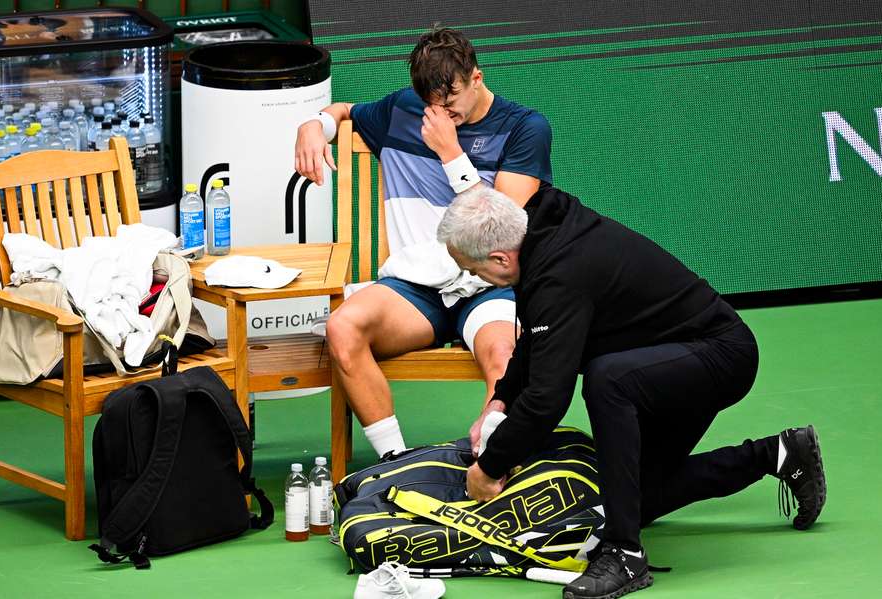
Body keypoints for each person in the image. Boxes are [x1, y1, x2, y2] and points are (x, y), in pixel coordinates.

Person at [436, 186, 827, 599]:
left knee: (608, 380)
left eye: (473, 270)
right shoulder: (537, 236)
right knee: (638, 499)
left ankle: (624, 555)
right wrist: (499, 400)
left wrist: (490, 467)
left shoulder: (559, 273)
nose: (473, 278)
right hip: (663, 359)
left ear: (500, 257)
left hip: (718, 357)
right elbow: (537, 341)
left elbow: (548, 400)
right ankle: (779, 454)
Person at [294, 27, 552, 457]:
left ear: (476, 78)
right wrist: (314, 124)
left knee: (506, 355)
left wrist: (452, 155)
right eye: (432, 105)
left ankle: (495, 461)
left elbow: (500, 228)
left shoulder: (525, 128)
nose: (439, 116)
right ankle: (397, 462)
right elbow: (344, 110)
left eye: (450, 104)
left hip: (489, 286)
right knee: (343, 326)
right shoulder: (402, 110)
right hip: (416, 293)